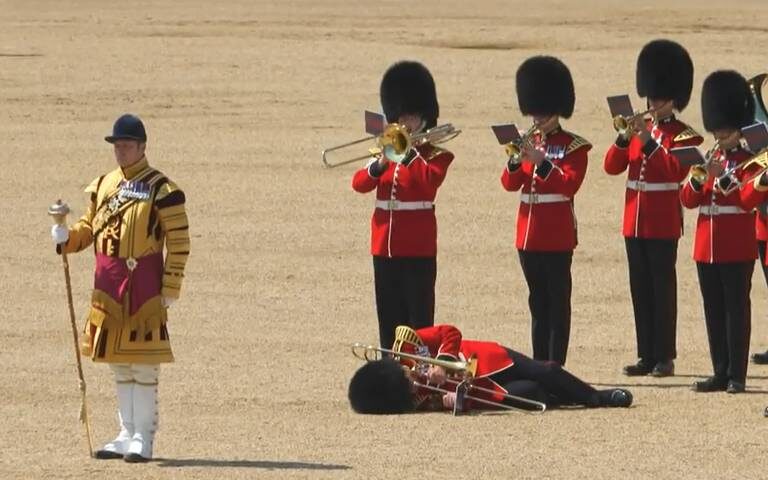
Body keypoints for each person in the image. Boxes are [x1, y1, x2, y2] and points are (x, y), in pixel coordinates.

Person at [50, 114, 190, 462]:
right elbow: (88, 229)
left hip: (143, 287)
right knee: (118, 364)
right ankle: (126, 433)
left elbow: (180, 242)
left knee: (143, 365)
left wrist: (170, 284)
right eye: (118, 146)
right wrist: (67, 239)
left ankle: (144, 435)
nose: (121, 152)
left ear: (142, 147)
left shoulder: (162, 189)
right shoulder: (103, 185)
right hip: (108, 286)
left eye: (127, 145)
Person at [604, 39, 703, 377]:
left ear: (674, 100)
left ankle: (665, 355)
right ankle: (646, 353)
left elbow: (676, 172)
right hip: (634, 220)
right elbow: (611, 167)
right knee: (640, 288)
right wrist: (623, 138)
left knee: (662, 289)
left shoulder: (684, 135)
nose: (653, 103)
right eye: (651, 97)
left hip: (661, 221)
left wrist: (647, 143)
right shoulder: (636, 130)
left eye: (659, 98)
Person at [352, 61, 454, 349]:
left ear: (422, 117)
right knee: (388, 318)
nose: (405, 122)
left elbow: (427, 183)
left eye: (411, 116)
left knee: (418, 323)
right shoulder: (386, 149)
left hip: (417, 248)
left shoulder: (435, 155)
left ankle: (419, 381)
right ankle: (391, 376)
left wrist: (407, 153)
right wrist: (381, 162)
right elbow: (359, 184)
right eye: (401, 116)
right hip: (383, 246)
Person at [500, 56, 591, 366]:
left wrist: (542, 162)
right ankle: (540, 363)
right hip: (528, 235)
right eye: (535, 111)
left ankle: (556, 364)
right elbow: (510, 185)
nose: (537, 117)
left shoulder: (573, 146)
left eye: (542, 111)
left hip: (556, 236)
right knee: (537, 302)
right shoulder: (528, 142)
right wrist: (515, 161)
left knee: (557, 303)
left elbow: (569, 184)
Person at [681, 71, 760, 393]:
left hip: (736, 246)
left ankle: (737, 376)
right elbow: (687, 199)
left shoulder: (750, 162)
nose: (720, 138)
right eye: (717, 132)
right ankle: (720, 371)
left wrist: (727, 181)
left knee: (736, 312)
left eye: (726, 133)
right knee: (713, 310)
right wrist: (702, 178)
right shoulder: (708, 160)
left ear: (738, 131)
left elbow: (747, 201)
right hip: (706, 245)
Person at [348, 324, 632, 414]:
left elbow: (449, 332)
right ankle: (569, 398)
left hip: (486, 357)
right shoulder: (416, 400)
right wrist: (454, 402)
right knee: (535, 394)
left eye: (407, 380)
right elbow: (458, 401)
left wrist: (443, 364)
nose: (414, 384)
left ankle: (598, 398)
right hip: (483, 388)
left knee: (546, 371)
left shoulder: (407, 346)